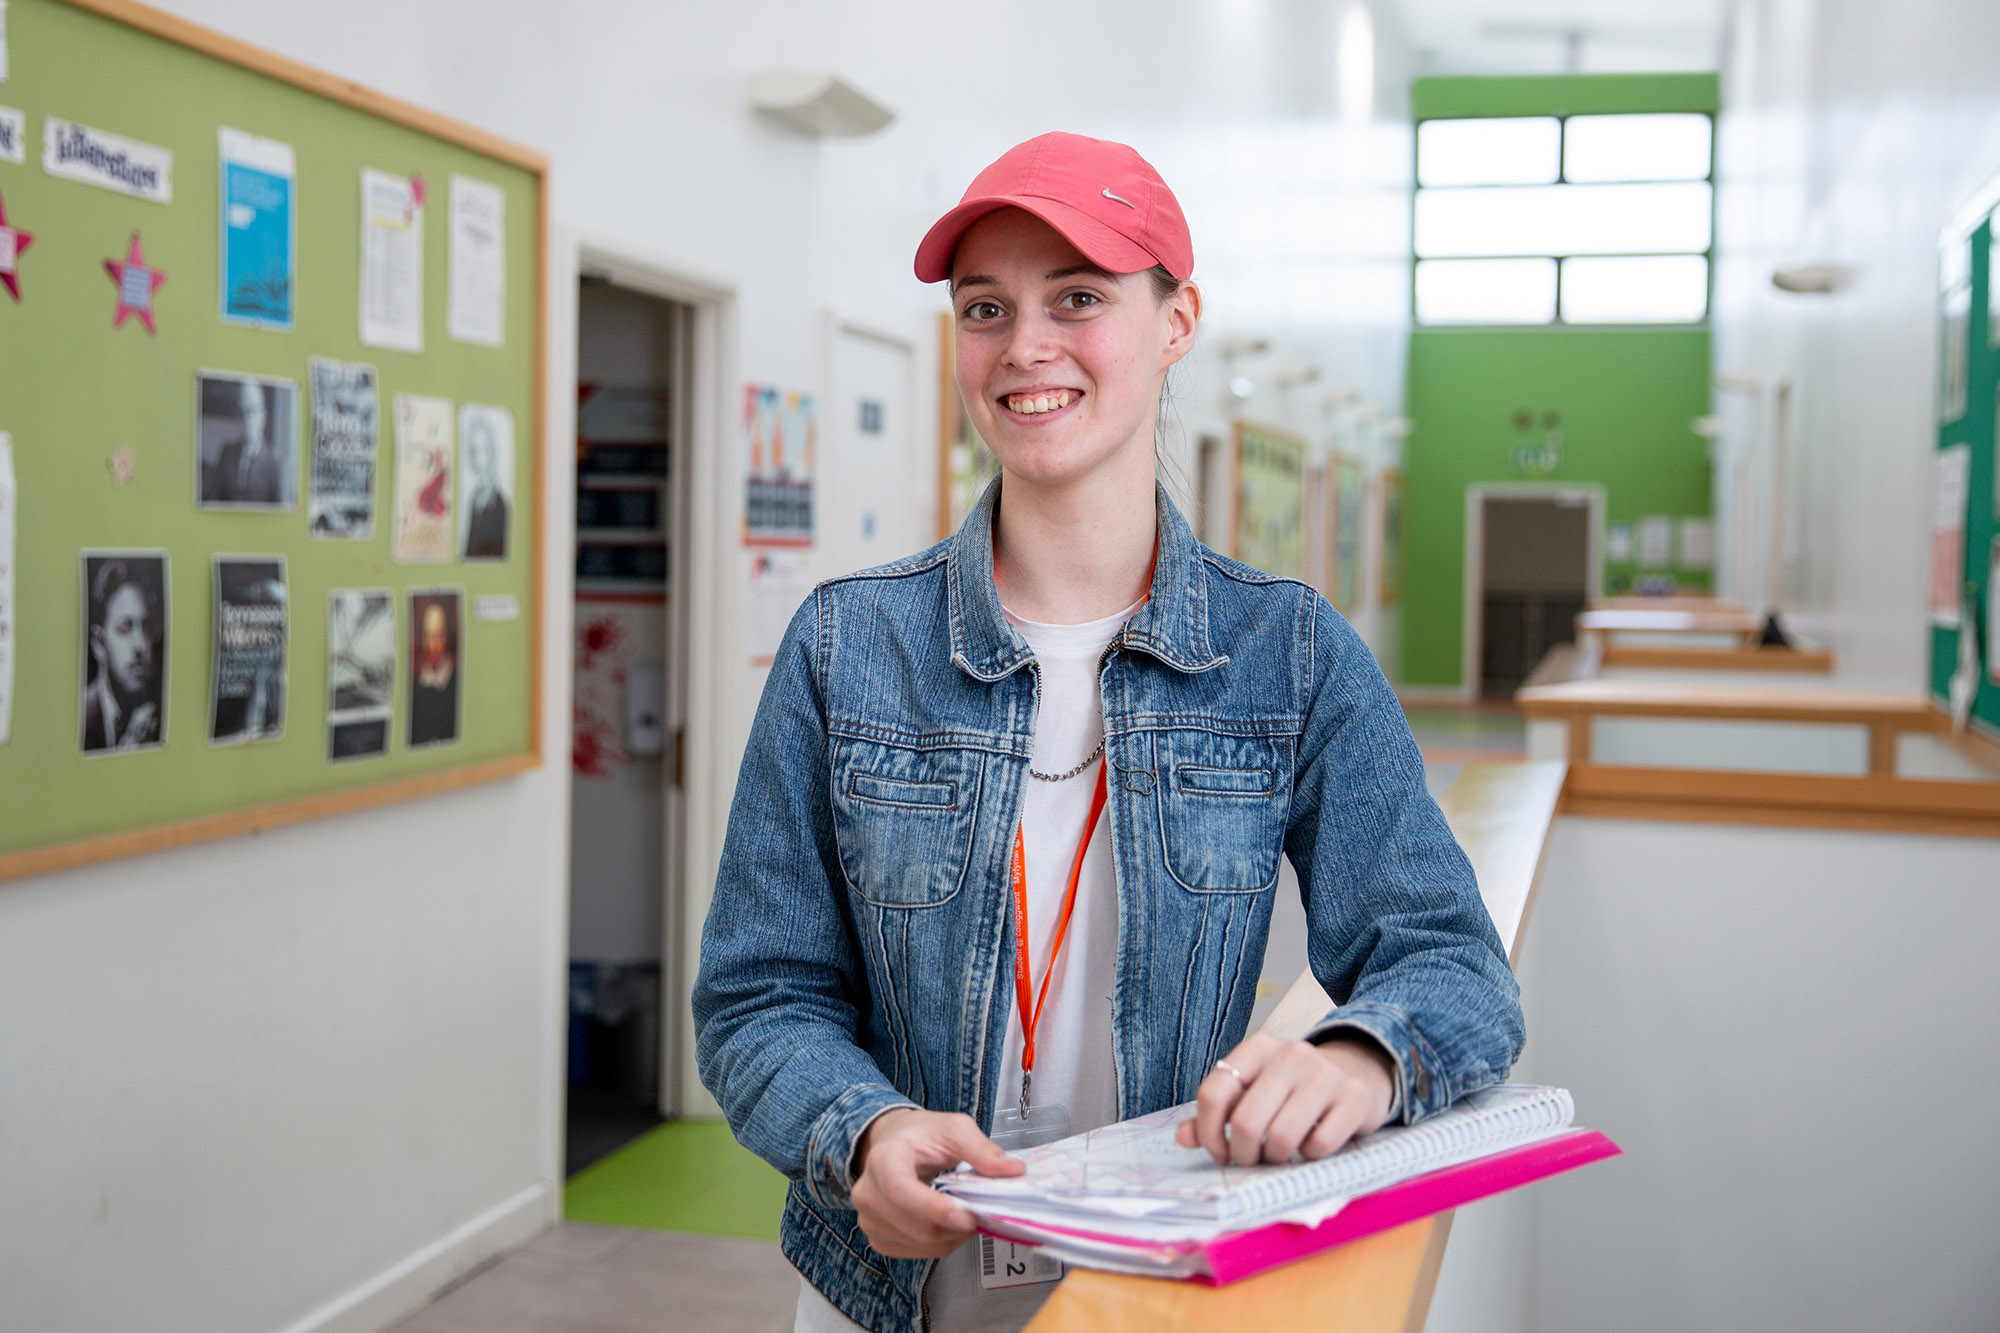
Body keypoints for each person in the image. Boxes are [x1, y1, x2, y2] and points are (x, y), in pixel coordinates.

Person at [693, 132, 1523, 1333]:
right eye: (985, 308)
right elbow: (758, 994)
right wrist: (860, 1128)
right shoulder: (845, 648)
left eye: (1076, 298)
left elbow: (1452, 965)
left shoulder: (1284, 655)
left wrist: (1358, 1058)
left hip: (1155, 1289)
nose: (1024, 346)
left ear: (1175, 321)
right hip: (882, 1295)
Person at [82, 557, 163, 753]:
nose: (141, 646)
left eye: (146, 628)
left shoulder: (158, 711)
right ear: (99, 644)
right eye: (125, 628)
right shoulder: (82, 715)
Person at [408, 597, 459, 747]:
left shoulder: (457, 680)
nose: (432, 645)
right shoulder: (417, 685)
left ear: (447, 637)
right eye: (428, 636)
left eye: (438, 636)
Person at [460, 413, 509, 559]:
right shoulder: (475, 498)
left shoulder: (500, 504)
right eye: (473, 451)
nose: (476, 458)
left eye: (480, 450)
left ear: (491, 452)